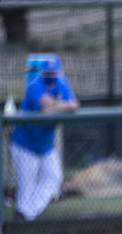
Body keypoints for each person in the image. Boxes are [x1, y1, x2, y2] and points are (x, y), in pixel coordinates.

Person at [9, 54, 80, 220]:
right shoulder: (34, 85)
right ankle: (23, 220)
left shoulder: (62, 83)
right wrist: (66, 105)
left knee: (54, 178)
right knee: (26, 187)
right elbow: (47, 107)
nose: (50, 77)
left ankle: (25, 215)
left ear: (58, 71)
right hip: (25, 145)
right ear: (42, 72)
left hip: (46, 145)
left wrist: (61, 105)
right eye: (47, 73)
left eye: (53, 73)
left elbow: (72, 106)